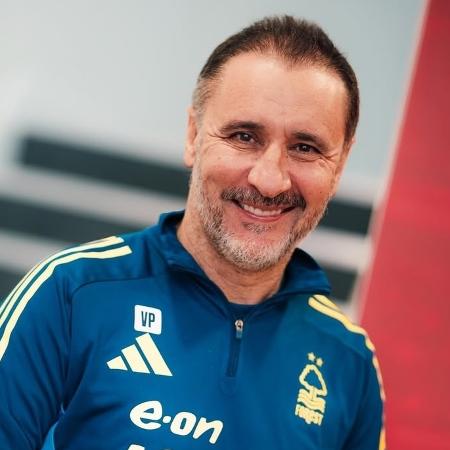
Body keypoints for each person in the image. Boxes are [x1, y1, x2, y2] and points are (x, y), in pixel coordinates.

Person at [0, 15, 385, 450]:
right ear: (193, 135)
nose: (270, 180)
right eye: (244, 136)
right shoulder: (72, 293)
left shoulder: (349, 363)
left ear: (339, 165)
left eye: (305, 148)